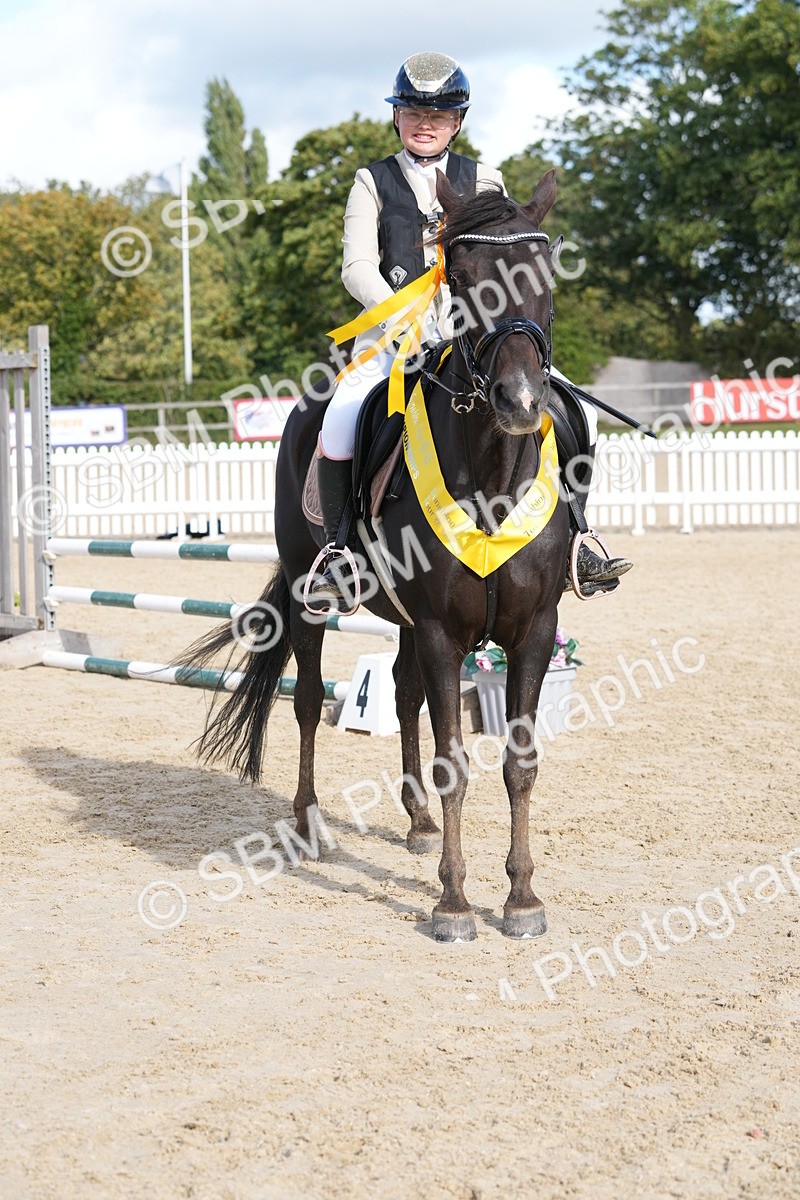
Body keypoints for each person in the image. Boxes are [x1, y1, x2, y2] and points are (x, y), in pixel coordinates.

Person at [308, 51, 632, 611]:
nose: (425, 122)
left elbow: (505, 259)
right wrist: (403, 314)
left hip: (476, 338)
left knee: (581, 410)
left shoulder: (484, 179)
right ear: (397, 118)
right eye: (413, 111)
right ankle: (342, 552)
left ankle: (578, 536)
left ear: (458, 121)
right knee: (340, 419)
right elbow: (357, 267)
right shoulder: (373, 181)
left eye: (439, 113)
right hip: (394, 339)